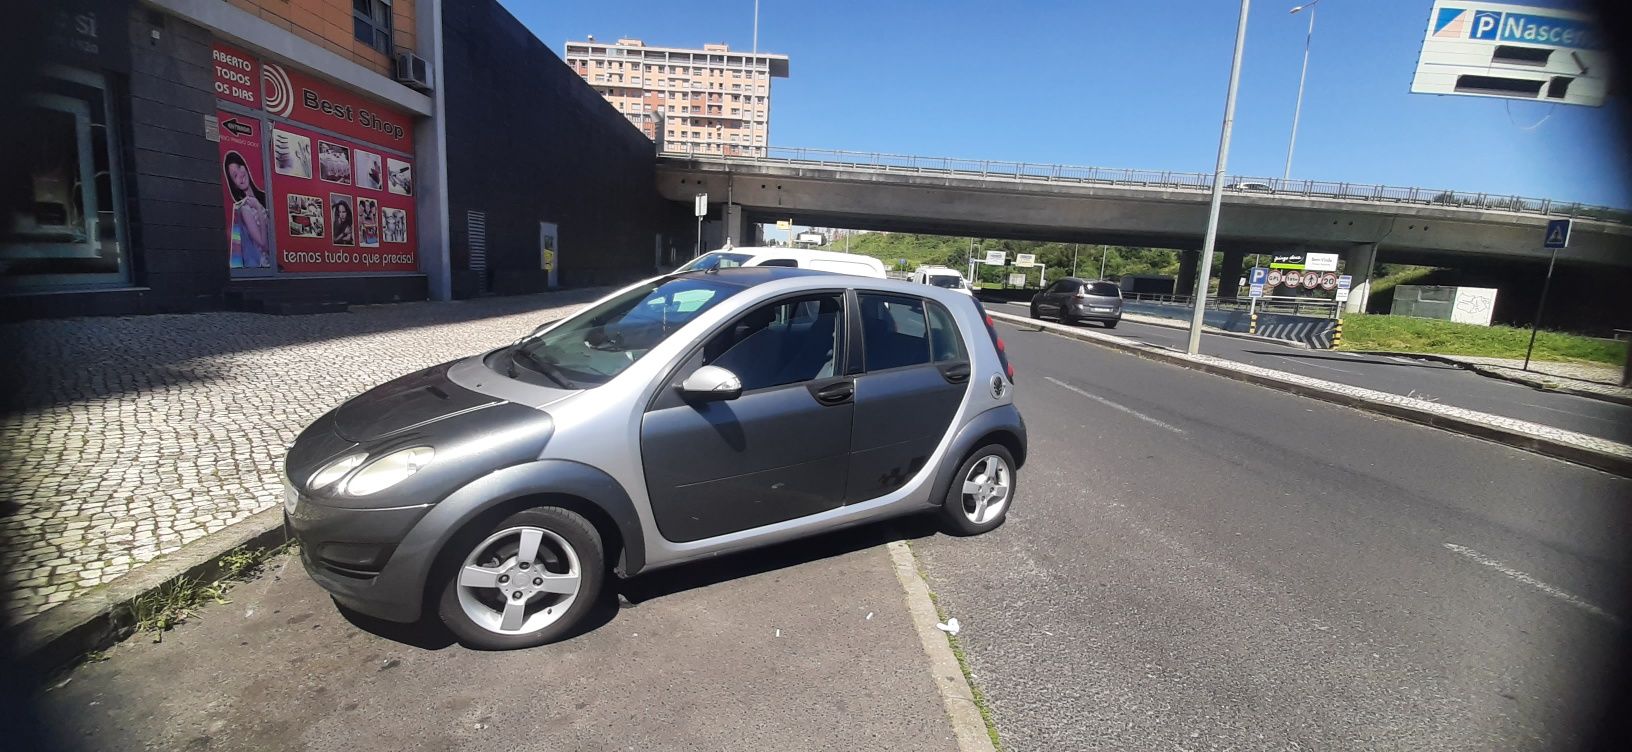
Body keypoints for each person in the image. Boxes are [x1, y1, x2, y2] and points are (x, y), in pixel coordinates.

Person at [223, 151, 269, 268]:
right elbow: (264, 244)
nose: (240, 175)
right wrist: (258, 207)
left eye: (239, 167)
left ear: (245, 166)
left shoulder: (265, 196)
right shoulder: (245, 209)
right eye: (234, 175)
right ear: (233, 184)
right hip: (266, 265)